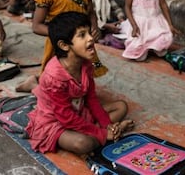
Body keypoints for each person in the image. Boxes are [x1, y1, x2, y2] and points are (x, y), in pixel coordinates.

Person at [25, 11, 134, 154]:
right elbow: (66, 118)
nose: (90, 38)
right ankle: (114, 131)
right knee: (83, 144)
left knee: (121, 106)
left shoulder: (86, 64)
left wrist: (108, 126)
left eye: (89, 33)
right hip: (57, 121)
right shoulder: (54, 77)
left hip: (79, 110)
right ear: (64, 45)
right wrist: (101, 133)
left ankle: (112, 131)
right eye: (82, 35)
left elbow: (91, 99)